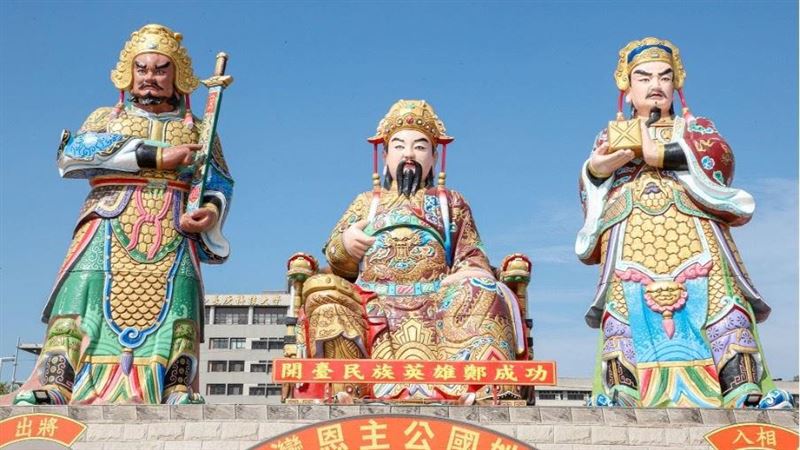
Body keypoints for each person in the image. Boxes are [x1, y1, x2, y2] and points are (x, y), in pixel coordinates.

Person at [10, 24, 233, 405]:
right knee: (81, 296)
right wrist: (155, 156)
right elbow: (73, 155)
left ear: (177, 75)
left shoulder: (199, 128)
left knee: (177, 306)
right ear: (128, 73)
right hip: (110, 218)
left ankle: (175, 385)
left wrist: (210, 211)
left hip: (172, 225)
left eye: (160, 69)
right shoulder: (105, 117)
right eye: (141, 69)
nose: (149, 77)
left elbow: (219, 180)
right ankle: (59, 383)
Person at [576, 37, 791, 408]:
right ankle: (624, 389)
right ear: (627, 88)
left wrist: (659, 153)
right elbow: (590, 186)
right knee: (626, 309)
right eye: (644, 77)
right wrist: (596, 170)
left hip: (692, 227)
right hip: (631, 233)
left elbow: (720, 159)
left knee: (718, 302)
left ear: (676, 84)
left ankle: (739, 386)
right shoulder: (609, 135)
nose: (655, 85)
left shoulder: (695, 128)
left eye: (664, 77)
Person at [291, 100, 529, 403]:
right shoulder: (365, 203)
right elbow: (337, 263)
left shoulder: (451, 203)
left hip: (438, 296)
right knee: (321, 290)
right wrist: (346, 244)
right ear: (385, 155)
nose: (409, 154)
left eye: (419, 147)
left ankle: (480, 387)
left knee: (483, 288)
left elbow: (472, 254)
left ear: (434, 156)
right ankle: (347, 387)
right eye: (399, 146)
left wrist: (468, 273)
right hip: (373, 297)